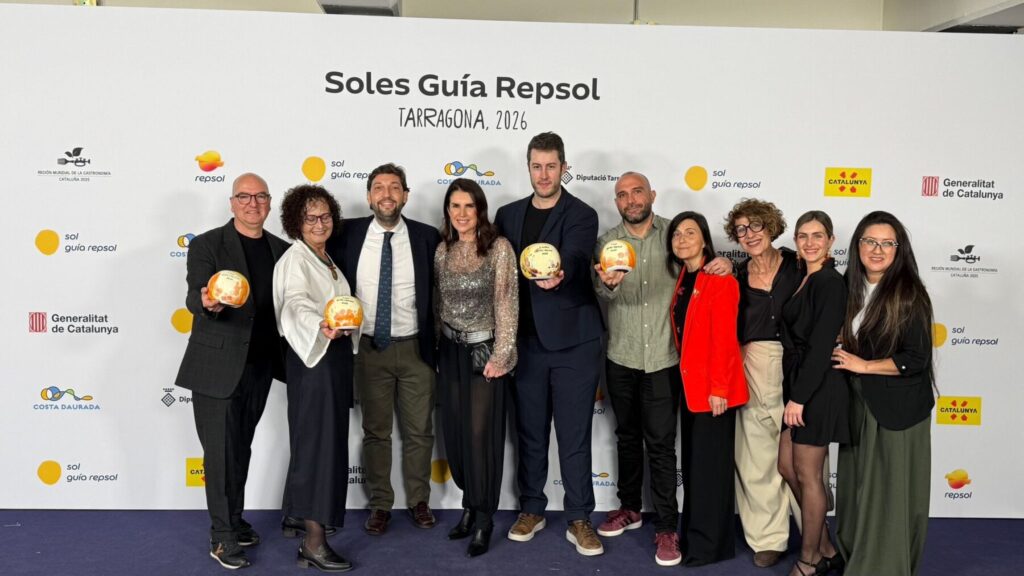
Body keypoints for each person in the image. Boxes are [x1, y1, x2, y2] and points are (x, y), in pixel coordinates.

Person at [592, 172, 732, 566]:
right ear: (616, 202)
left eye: (637, 192)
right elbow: (602, 291)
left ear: (652, 195)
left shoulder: (676, 234)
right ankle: (630, 507)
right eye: (622, 195)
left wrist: (725, 264)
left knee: (660, 445)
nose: (631, 200)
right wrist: (608, 284)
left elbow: (706, 266)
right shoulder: (607, 242)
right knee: (626, 437)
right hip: (621, 356)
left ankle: (668, 528)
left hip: (665, 362)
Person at [494, 132, 605, 556]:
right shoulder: (507, 215)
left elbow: (576, 258)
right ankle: (532, 508)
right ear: (529, 168)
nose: (544, 174)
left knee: (574, 435)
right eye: (537, 166)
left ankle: (579, 517)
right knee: (530, 432)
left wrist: (560, 276)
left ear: (564, 167)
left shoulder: (582, 213)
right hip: (525, 343)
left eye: (551, 166)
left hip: (574, 341)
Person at [174, 172, 290, 569]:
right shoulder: (208, 244)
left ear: (270, 202)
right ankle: (222, 537)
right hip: (215, 367)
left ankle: (235, 520)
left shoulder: (281, 249)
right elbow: (194, 292)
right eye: (244, 196)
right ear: (232, 202)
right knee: (220, 454)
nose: (252, 203)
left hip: (259, 366)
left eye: (260, 196)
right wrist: (206, 302)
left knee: (240, 448)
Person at [328, 163, 441, 535]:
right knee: (376, 432)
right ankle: (380, 504)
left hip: (415, 349)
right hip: (368, 349)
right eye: (379, 187)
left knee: (419, 431)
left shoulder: (427, 237)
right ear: (369, 196)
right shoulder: (346, 234)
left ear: (406, 195)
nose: (387, 194)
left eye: (395, 187)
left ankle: (419, 501)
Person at [832, 211, 935, 576]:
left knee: (891, 492)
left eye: (886, 243)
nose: (877, 250)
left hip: (899, 409)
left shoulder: (910, 294)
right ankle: (855, 555)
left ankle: (885, 567)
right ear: (857, 245)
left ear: (898, 249)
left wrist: (864, 365)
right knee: (856, 489)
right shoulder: (848, 286)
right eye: (870, 241)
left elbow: (916, 358)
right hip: (857, 405)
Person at [273, 184, 358, 572]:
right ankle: (313, 543)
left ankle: (300, 517)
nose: (319, 223)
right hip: (314, 360)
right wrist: (320, 325)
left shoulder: (325, 259)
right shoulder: (296, 259)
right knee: (317, 447)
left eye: (325, 216)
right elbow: (295, 304)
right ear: (296, 222)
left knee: (323, 442)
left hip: (333, 357)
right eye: (310, 217)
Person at [434, 178, 518, 558]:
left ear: (480, 210)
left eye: (469, 206)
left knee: (481, 437)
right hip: (450, 352)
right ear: (448, 211)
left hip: (485, 351)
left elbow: (506, 302)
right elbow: (438, 304)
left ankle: (484, 518)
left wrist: (502, 356)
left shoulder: (498, 248)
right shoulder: (442, 251)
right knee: (455, 435)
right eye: (455, 206)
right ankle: (469, 505)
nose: (462, 214)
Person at [667, 211, 748, 567]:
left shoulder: (721, 280)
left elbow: (726, 341)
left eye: (690, 232)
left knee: (711, 472)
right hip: (690, 389)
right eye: (676, 234)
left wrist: (719, 389)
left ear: (704, 239)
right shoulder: (685, 277)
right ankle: (695, 537)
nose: (682, 239)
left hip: (714, 393)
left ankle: (710, 547)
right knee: (696, 467)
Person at [724, 198, 802, 568]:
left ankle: (819, 536)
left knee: (802, 458)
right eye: (741, 229)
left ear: (771, 227)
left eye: (755, 225)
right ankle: (769, 539)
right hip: (753, 363)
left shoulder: (799, 265)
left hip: (798, 365)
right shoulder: (737, 276)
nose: (749, 234)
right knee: (757, 458)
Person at [776, 211, 849, 576]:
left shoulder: (830, 283)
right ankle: (825, 546)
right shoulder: (804, 277)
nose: (809, 243)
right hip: (798, 381)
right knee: (786, 466)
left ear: (831, 241)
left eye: (817, 236)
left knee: (809, 475)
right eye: (802, 236)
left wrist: (799, 397)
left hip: (817, 388)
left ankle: (809, 560)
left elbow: (821, 345)